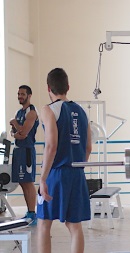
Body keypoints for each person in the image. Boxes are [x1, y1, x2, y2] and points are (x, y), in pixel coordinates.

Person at [37, 68, 92, 253]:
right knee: (75, 226)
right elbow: (88, 148)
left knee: (44, 223)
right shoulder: (82, 112)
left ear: (48, 89)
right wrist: (76, 166)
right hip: (77, 172)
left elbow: (51, 146)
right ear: (68, 87)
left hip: (56, 173)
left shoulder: (48, 110)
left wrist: (43, 178)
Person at [10, 85, 39, 225]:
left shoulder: (31, 112)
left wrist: (15, 124)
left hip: (27, 150)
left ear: (29, 95)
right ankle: (29, 212)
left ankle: (33, 214)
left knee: (28, 182)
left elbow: (23, 134)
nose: (20, 96)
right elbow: (14, 134)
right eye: (18, 94)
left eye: (22, 94)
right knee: (22, 182)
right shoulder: (19, 112)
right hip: (18, 150)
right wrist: (16, 131)